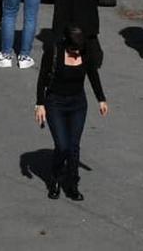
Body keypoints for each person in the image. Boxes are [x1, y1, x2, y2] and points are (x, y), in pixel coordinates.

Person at [34, 26, 108, 201]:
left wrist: (101, 99)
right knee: (62, 145)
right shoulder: (53, 51)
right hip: (55, 103)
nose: (76, 54)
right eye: (73, 50)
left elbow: (92, 74)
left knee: (74, 146)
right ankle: (55, 178)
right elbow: (42, 78)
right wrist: (40, 104)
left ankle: (72, 184)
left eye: (79, 51)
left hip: (77, 104)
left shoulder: (85, 52)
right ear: (66, 43)